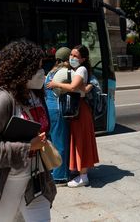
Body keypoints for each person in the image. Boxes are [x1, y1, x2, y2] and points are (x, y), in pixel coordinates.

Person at [0, 39, 56, 222]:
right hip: (7, 182)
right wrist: (27, 147)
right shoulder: (3, 98)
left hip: (36, 181)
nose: (42, 72)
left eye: (42, 66)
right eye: (37, 67)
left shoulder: (36, 94)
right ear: (22, 70)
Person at [46, 45, 99, 188]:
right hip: (77, 109)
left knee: (81, 141)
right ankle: (79, 172)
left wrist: (55, 84)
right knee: (77, 141)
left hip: (80, 109)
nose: (72, 58)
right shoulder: (75, 70)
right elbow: (82, 86)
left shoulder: (81, 69)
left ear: (83, 58)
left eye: (76, 56)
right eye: (71, 55)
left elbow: (73, 87)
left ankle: (83, 176)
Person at [44, 47, 72, 186]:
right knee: (60, 143)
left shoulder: (51, 71)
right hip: (58, 109)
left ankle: (54, 171)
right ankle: (60, 176)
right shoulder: (64, 72)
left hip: (49, 109)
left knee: (53, 142)